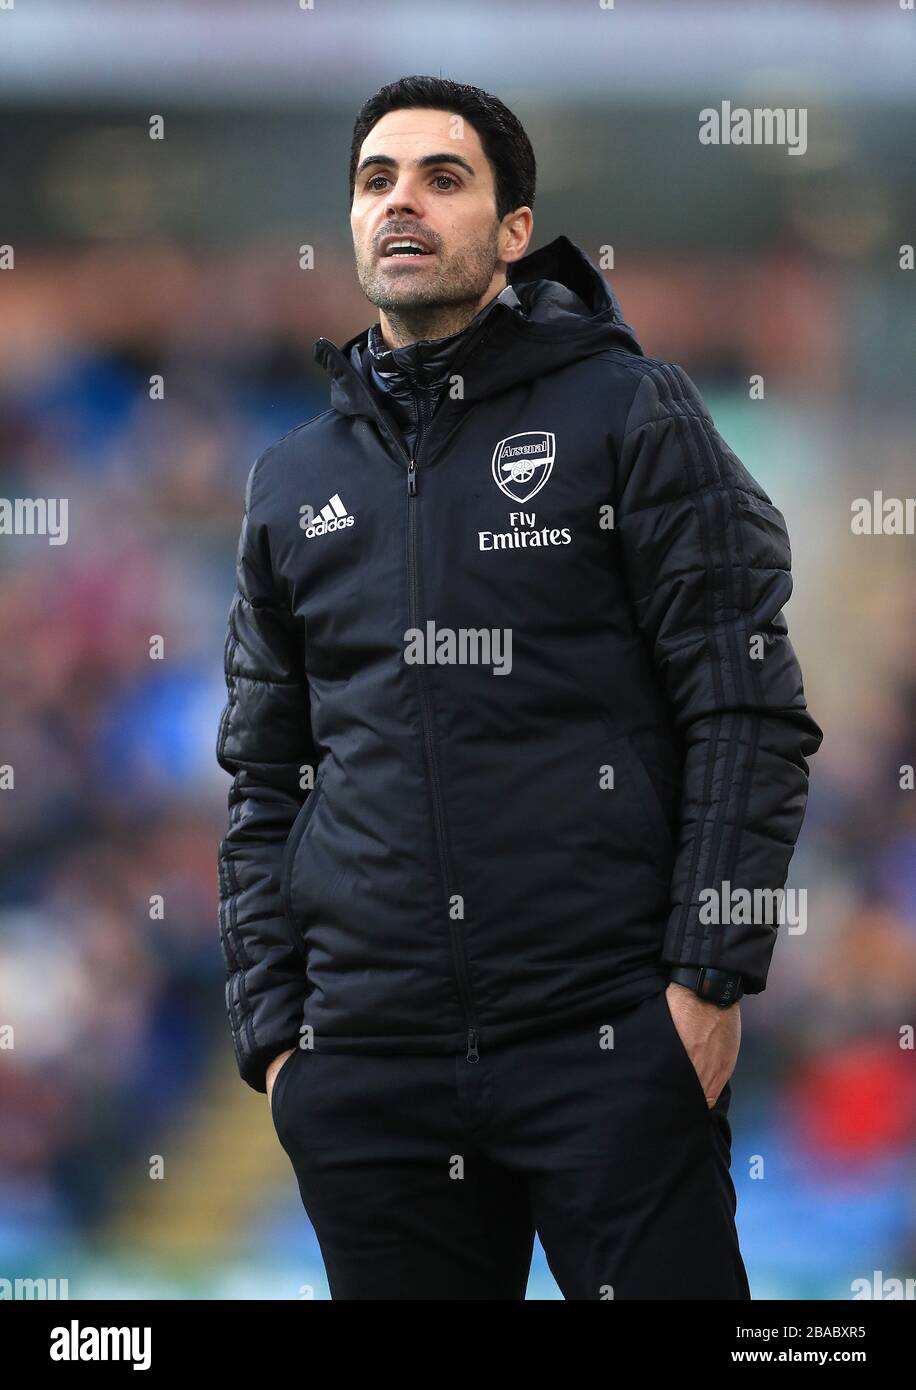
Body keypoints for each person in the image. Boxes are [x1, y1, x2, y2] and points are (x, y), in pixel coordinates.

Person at [216, 75, 823, 1300]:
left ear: (509, 231)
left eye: (444, 179)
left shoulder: (628, 413)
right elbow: (261, 774)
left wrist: (705, 980)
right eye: (376, 180)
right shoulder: (291, 479)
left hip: (603, 1038)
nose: (403, 202)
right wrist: (279, 1039)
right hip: (370, 1069)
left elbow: (746, 706)